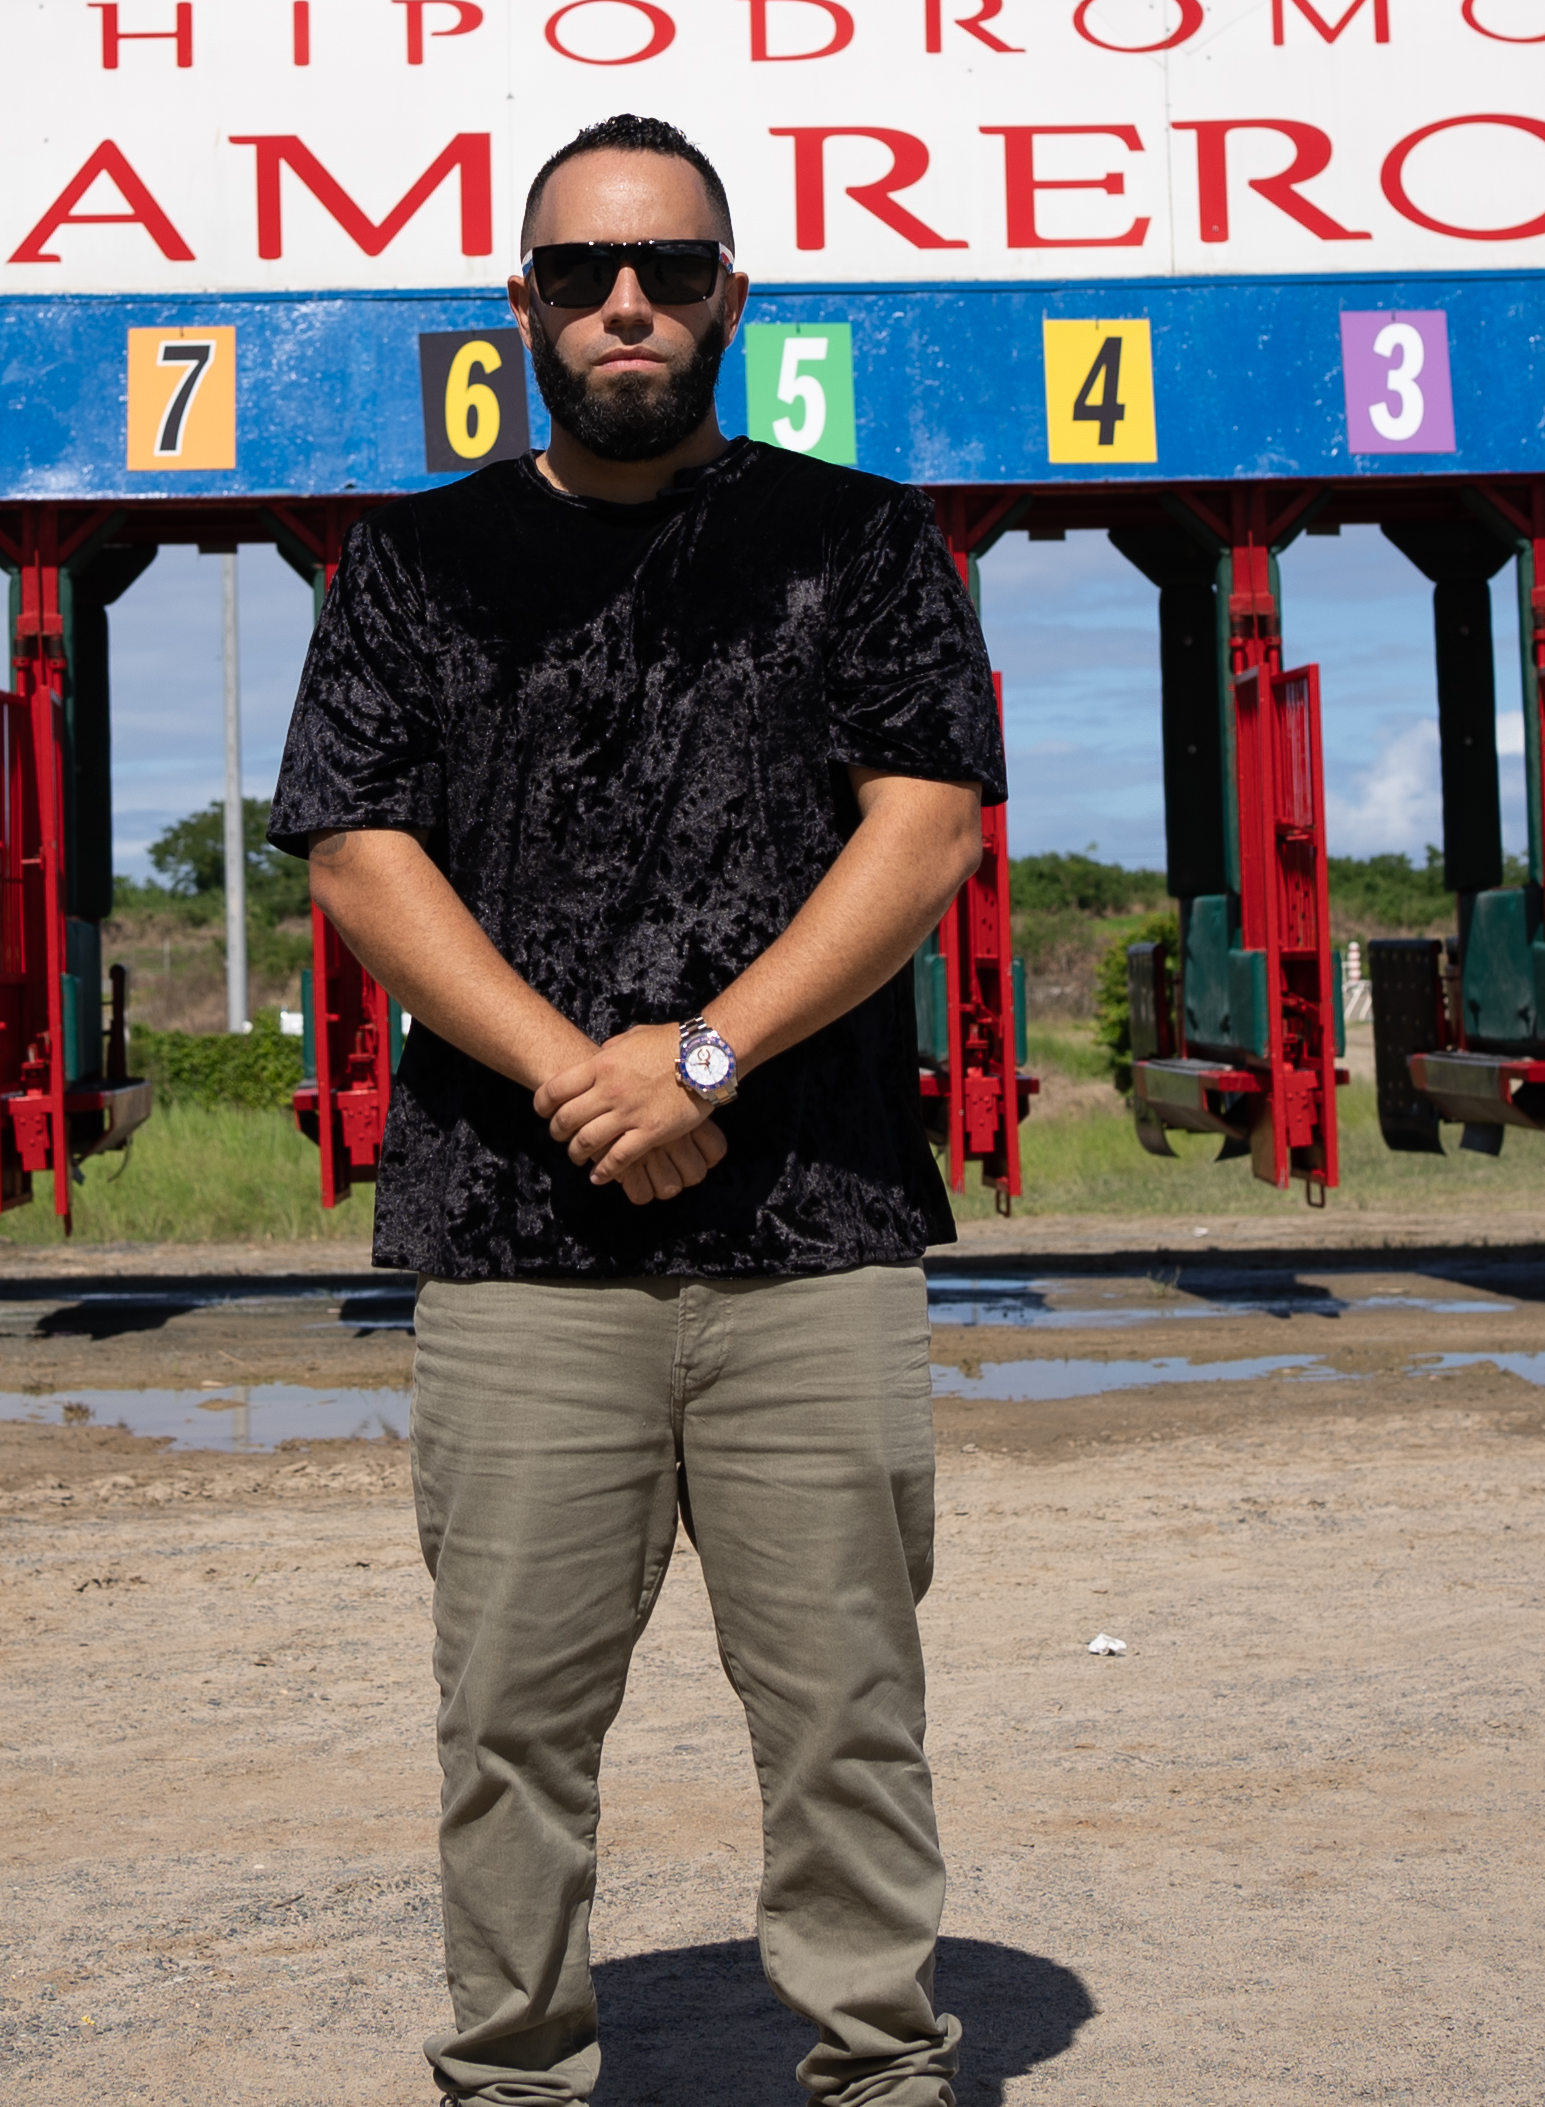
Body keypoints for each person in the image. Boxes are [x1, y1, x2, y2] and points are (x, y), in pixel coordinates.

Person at [269, 111, 1006, 2106]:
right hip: (516, 1244)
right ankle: (508, 2074)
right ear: (518, 305)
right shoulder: (409, 565)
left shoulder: (856, 545)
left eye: (667, 271)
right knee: (507, 1719)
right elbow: (353, 854)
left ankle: (874, 2065)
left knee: (848, 1708)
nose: (625, 305)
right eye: (584, 272)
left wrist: (700, 1057)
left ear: (728, 300)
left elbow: (921, 831)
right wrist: (567, 1073)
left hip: (810, 1234)